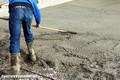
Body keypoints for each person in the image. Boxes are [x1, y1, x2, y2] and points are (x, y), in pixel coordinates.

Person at [8, 0, 41, 74]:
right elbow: (37, 11)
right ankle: (32, 55)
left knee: (15, 38)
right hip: (28, 12)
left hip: (16, 11)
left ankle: (15, 69)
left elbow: (10, 6)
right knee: (27, 32)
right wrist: (38, 22)